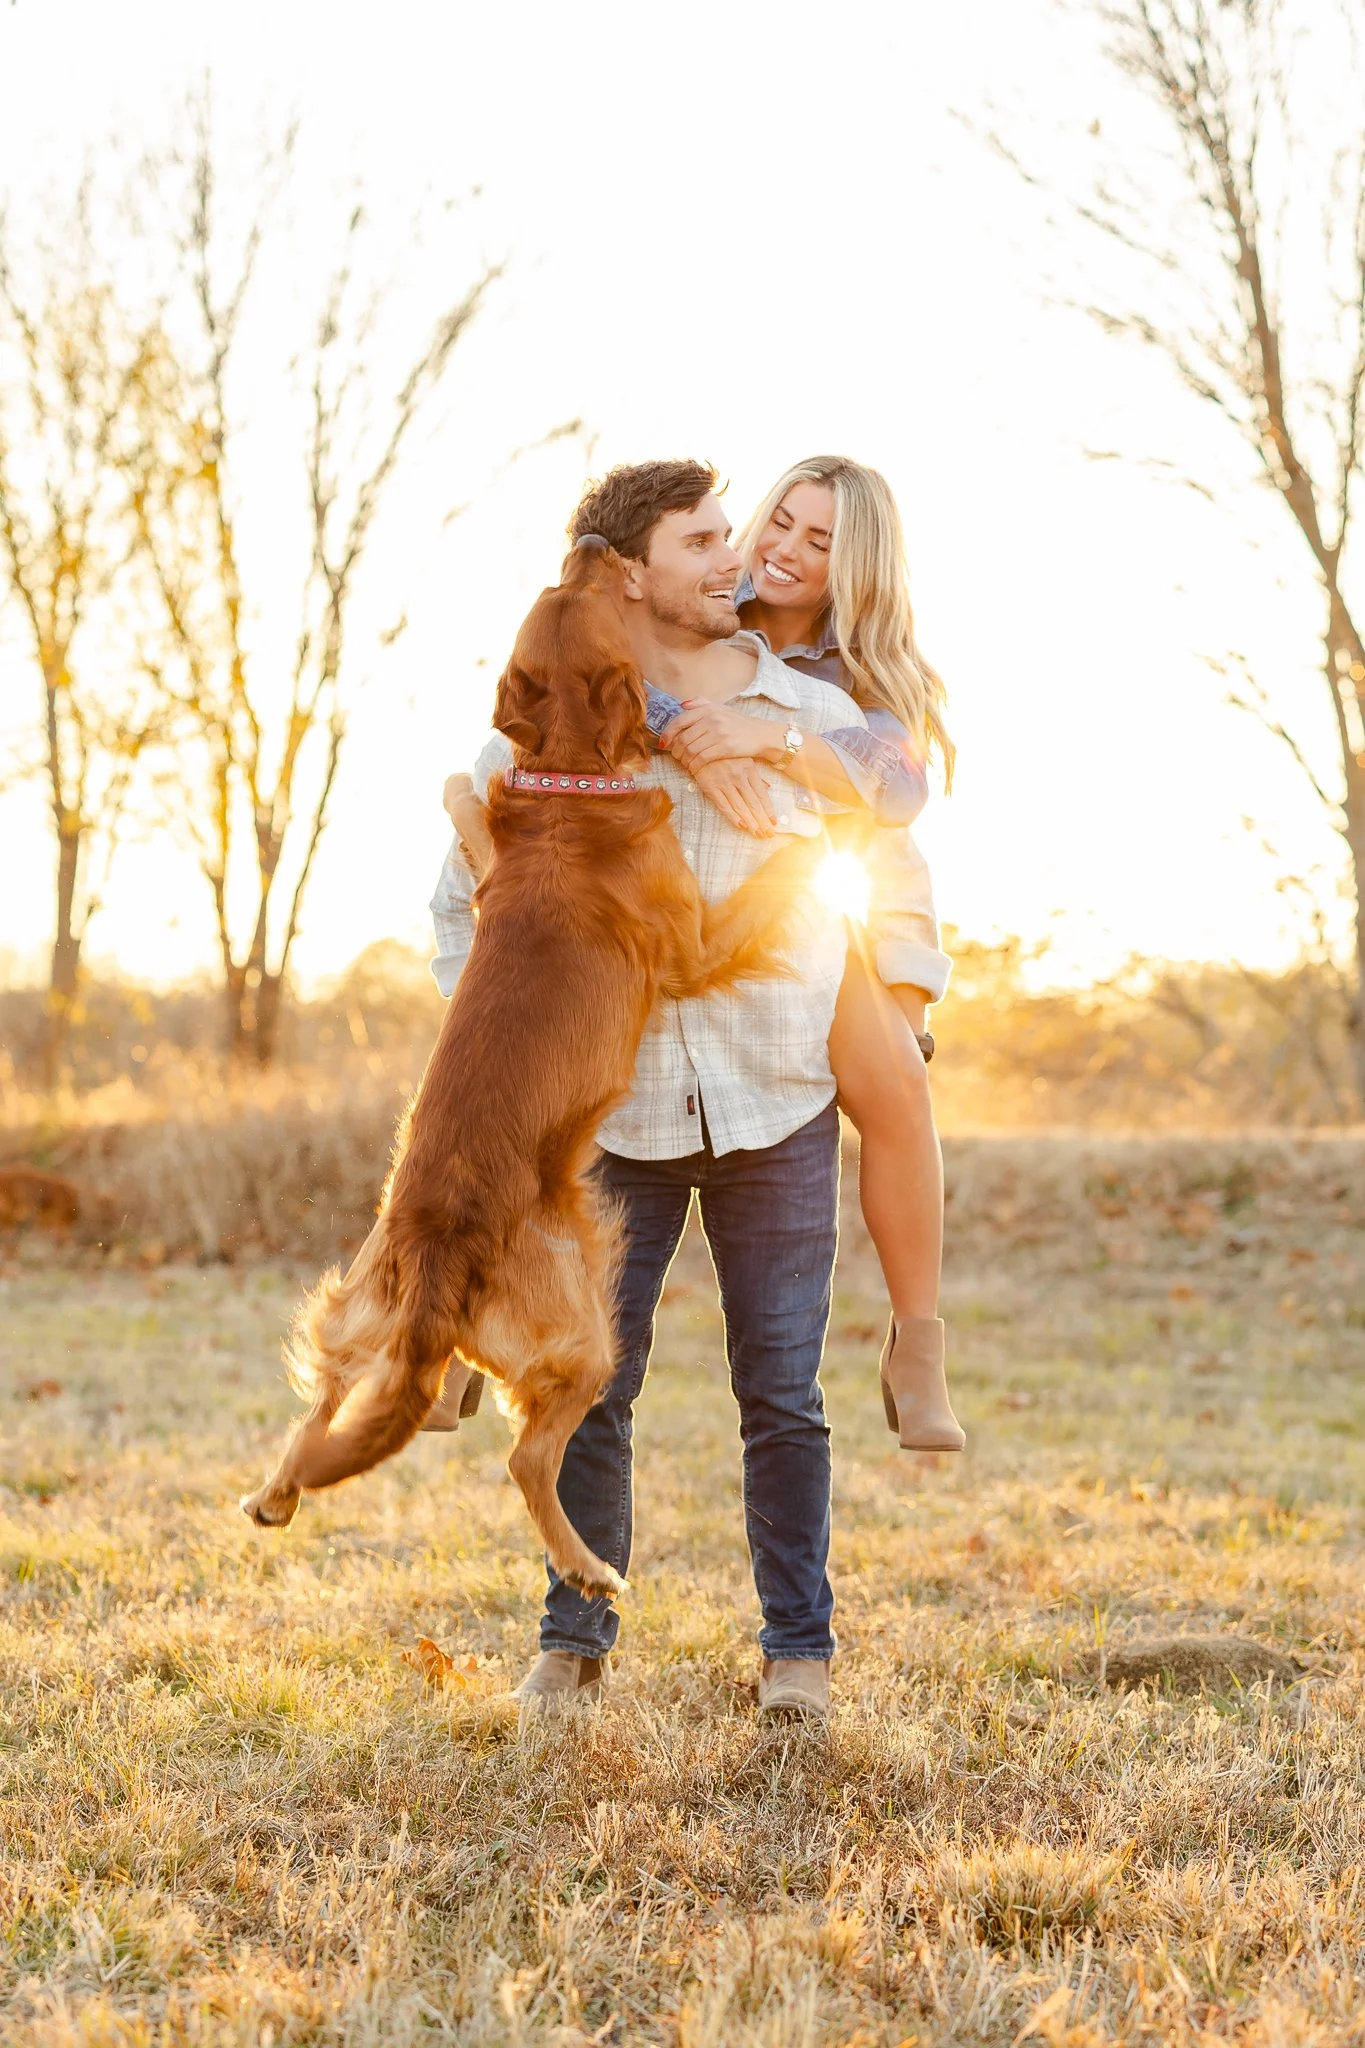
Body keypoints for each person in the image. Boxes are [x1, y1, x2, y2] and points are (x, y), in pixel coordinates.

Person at [430, 460, 951, 1728]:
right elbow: (463, 896)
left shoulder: (811, 700)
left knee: (783, 1387)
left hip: (776, 1087)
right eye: (722, 535)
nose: (748, 554)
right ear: (632, 576)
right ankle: (573, 1640)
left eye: (767, 537)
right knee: (595, 1381)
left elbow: (896, 785)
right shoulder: (569, 702)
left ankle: (800, 1657)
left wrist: (762, 740)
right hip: (625, 1106)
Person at [630, 456, 962, 1454]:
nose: (781, 548)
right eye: (779, 521)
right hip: (657, 886)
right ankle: (446, 1317)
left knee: (898, 1087)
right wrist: (684, 730)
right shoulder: (696, 601)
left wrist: (768, 741)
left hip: (799, 912)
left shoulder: (858, 673)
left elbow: (896, 788)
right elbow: (586, 658)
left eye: (818, 541)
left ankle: (918, 1349)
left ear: (853, 565)